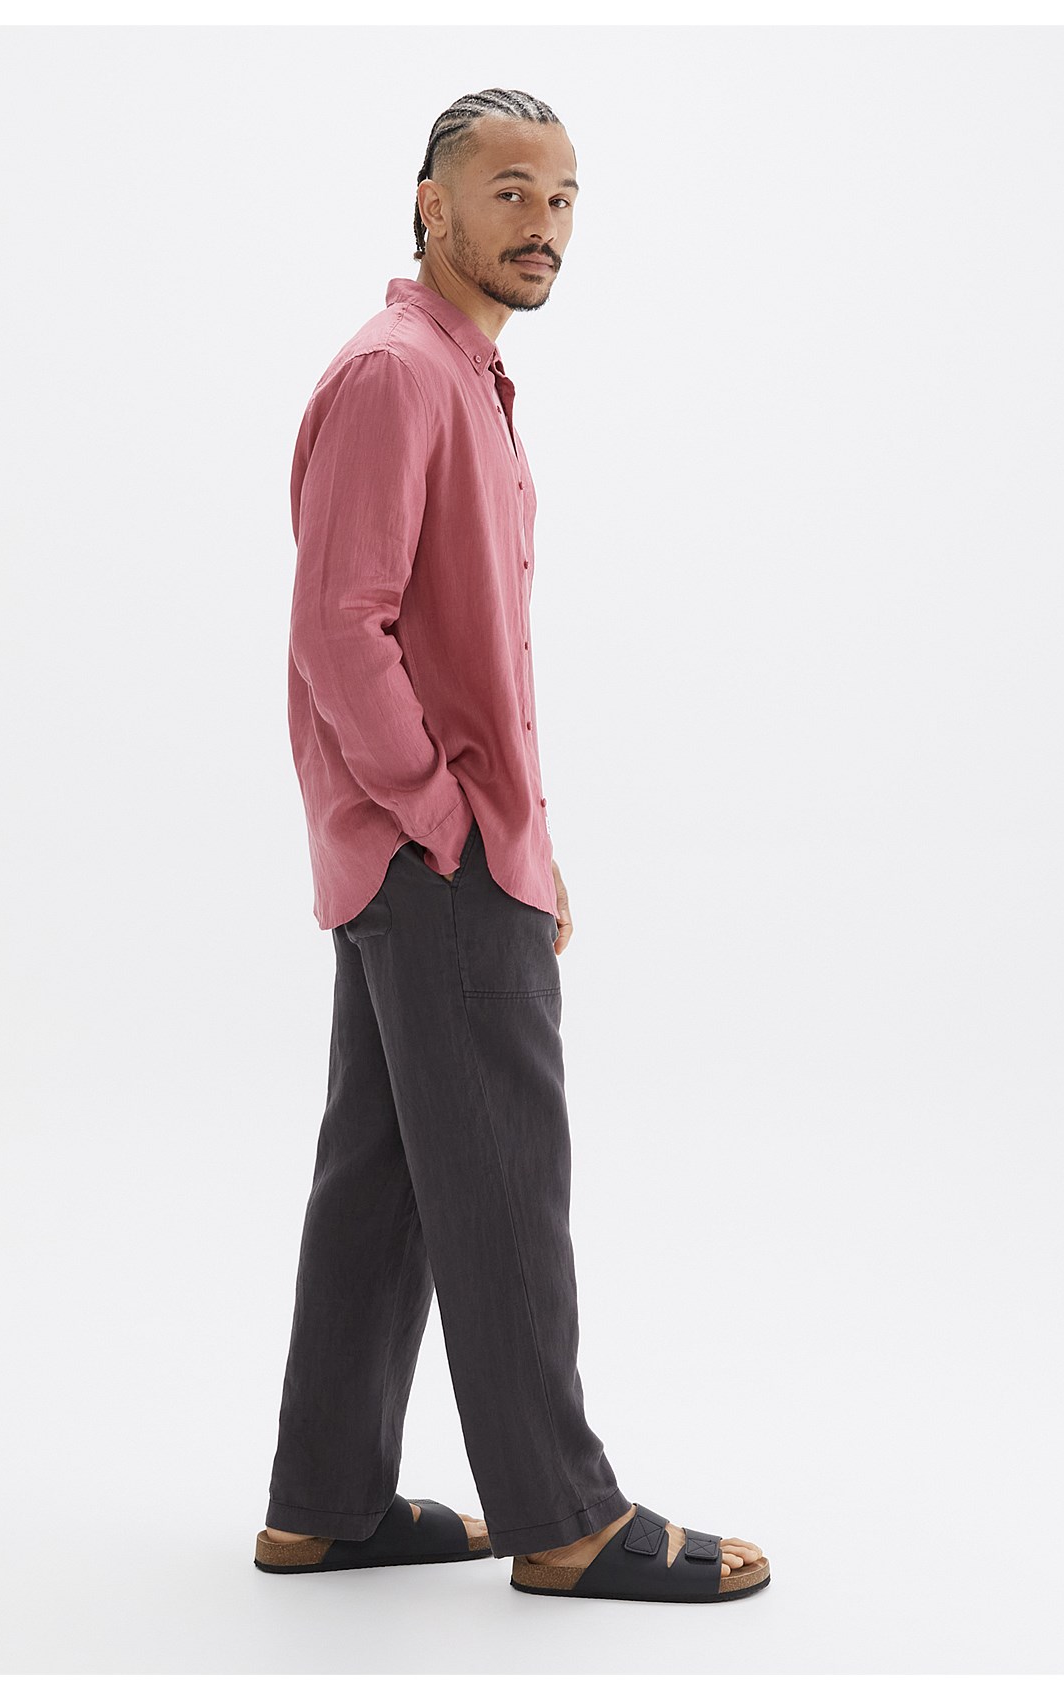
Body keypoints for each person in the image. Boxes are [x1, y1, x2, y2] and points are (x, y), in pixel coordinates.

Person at [254, 87, 770, 1605]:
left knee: (387, 1178)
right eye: (509, 193)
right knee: (503, 1175)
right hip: (430, 854)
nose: (544, 225)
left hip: (436, 851)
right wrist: (451, 821)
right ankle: (564, 1517)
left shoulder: (457, 373)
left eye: (563, 198)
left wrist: (518, 839)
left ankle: (325, 1502)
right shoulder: (399, 374)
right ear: (431, 206)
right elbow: (339, 628)